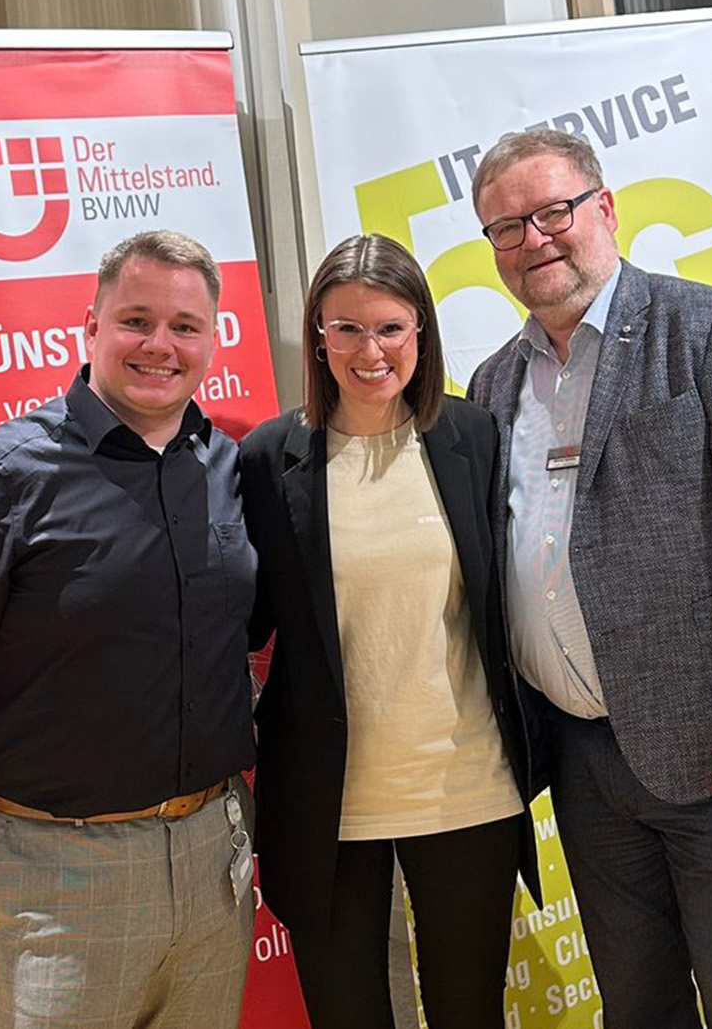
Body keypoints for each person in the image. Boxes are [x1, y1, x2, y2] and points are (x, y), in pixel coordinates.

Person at [465, 129, 712, 1028]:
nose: (534, 239)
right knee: (637, 1005)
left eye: (552, 211)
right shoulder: (492, 384)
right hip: (585, 758)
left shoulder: (710, 325)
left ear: (605, 209)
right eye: (507, 228)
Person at [0, 230, 259, 1028]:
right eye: (135, 319)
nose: (159, 345)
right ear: (91, 326)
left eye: (185, 326)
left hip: (218, 859)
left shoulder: (223, 464)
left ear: (213, 339)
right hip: (62, 876)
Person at [239, 233, 542, 1027]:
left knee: (467, 1012)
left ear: (420, 335)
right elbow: (246, 619)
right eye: (346, 328)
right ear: (318, 337)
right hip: (327, 801)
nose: (369, 350)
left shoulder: (471, 438)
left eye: (390, 328)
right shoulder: (269, 459)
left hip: (464, 785)